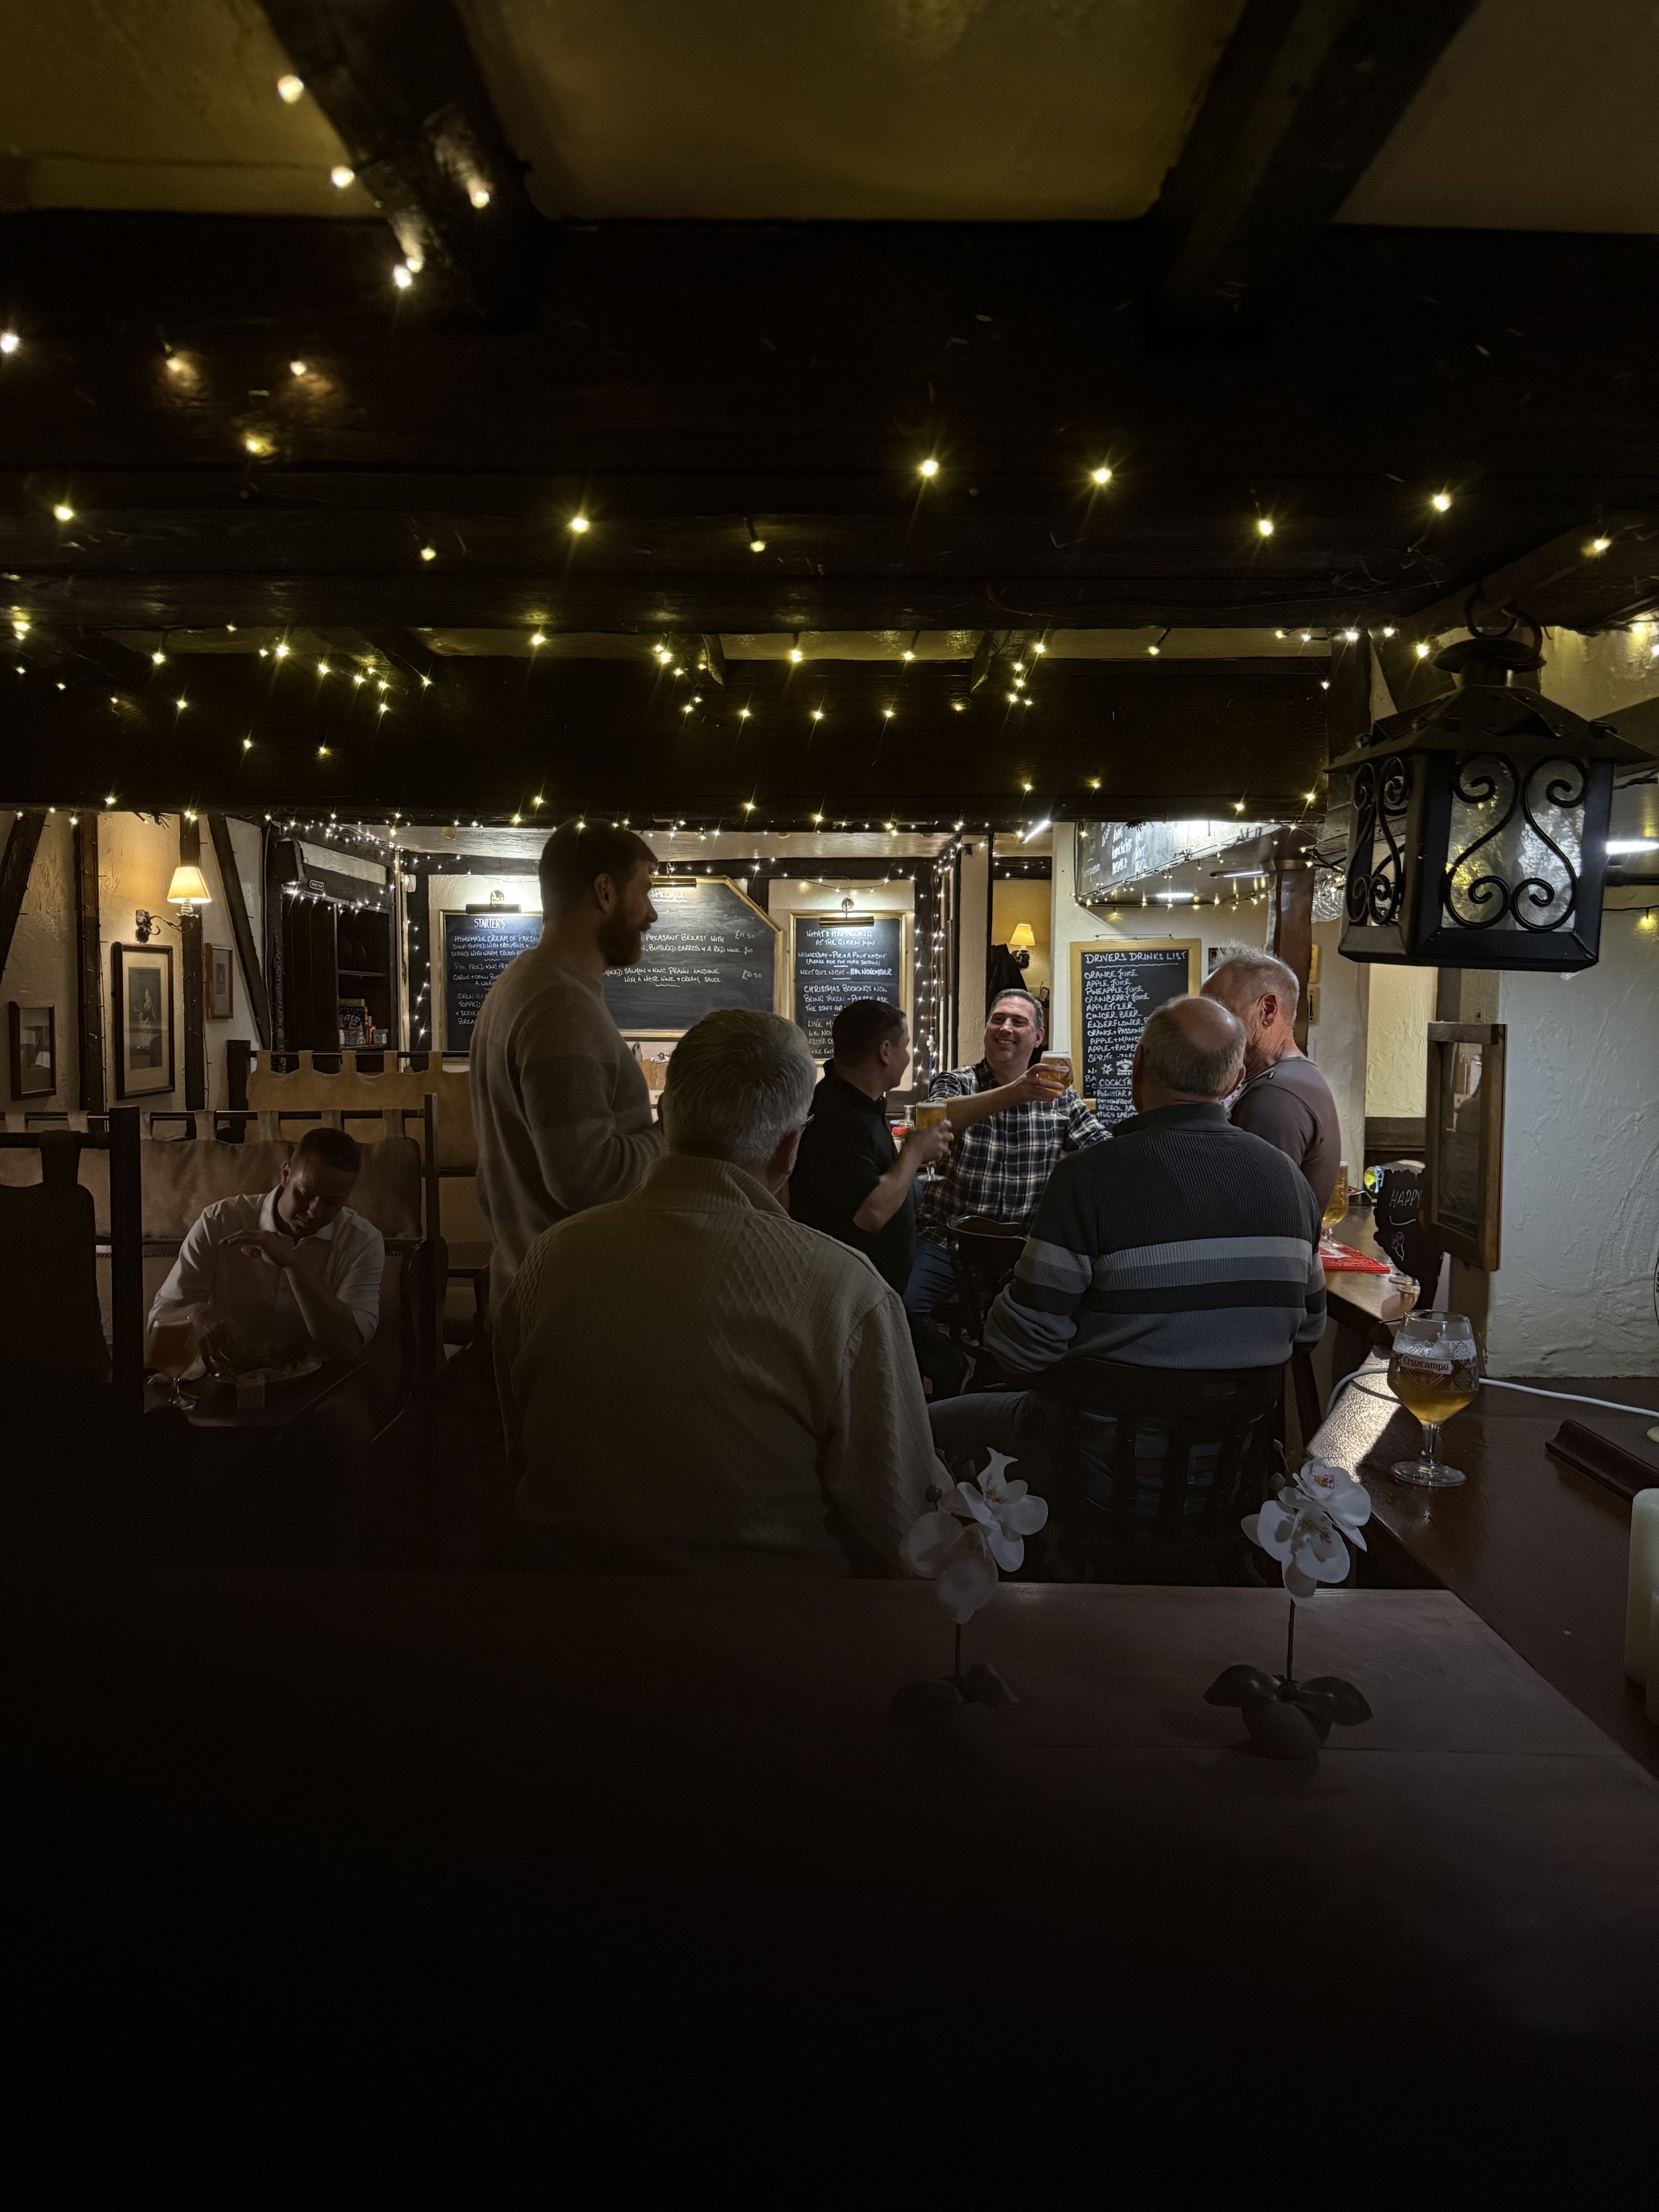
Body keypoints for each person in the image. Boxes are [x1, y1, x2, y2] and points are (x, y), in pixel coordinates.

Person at [496, 1009, 937, 1576]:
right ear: (789, 1149)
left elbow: (519, 1456)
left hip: (562, 1612)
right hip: (777, 1620)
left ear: (664, 1118)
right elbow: (905, 1532)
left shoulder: (547, 1260)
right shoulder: (847, 1291)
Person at [928, 996, 1326, 1479]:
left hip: (1091, 1465)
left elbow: (1019, 1348)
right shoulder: (1290, 1181)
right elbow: (1308, 1332)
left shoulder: (1088, 1178)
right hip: (1232, 1473)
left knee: (922, 1428)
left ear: (1137, 1065)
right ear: (1235, 1080)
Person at [470, 819, 664, 1305]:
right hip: (570, 1307)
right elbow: (586, 1179)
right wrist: (674, 1133)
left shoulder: (518, 984)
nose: (652, 914)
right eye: (645, 889)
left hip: (528, 1288)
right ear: (605, 892)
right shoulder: (561, 1007)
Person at [905, 988, 1107, 1321]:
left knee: (1077, 1311)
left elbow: (1101, 1151)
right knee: (905, 1308)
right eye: (997, 1020)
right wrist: (1015, 1092)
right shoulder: (957, 1082)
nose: (1005, 1028)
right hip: (949, 1240)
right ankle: (951, 1356)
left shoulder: (1061, 1098)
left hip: (1024, 1247)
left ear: (1038, 1037)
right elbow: (935, 1119)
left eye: (1018, 1022)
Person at [148, 1125, 386, 1369]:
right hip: (226, 1376)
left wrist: (294, 1266)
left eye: (332, 1203)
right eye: (305, 1194)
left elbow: (348, 1348)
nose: (314, 1211)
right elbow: (160, 1317)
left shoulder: (362, 1242)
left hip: (319, 1382)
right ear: (286, 1174)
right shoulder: (219, 1222)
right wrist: (196, 1314)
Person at [787, 998, 950, 1297]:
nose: (908, 1057)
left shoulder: (858, 1101)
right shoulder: (839, 1117)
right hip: (851, 1294)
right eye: (905, 1045)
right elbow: (870, 1214)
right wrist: (915, 1152)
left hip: (869, 1288)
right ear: (885, 1051)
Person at [1202, 948, 1342, 1211]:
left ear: (1268, 1010)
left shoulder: (1273, 1096)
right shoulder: (1295, 1077)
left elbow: (1254, 1214)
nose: (1208, 1025)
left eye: (1221, 1011)